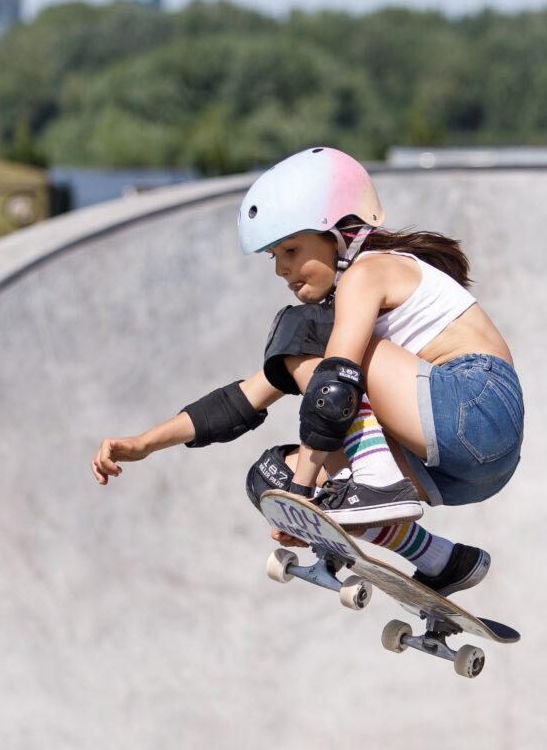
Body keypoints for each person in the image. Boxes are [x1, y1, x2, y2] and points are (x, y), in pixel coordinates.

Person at [91, 147, 524, 596]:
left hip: (474, 403)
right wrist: (145, 443)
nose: (282, 269)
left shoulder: (369, 272)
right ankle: (443, 559)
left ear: (338, 234)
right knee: (270, 478)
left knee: (306, 334)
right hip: (467, 469)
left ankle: (378, 482)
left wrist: (304, 491)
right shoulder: (346, 301)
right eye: (274, 256)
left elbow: (336, 381)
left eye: (292, 250)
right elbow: (242, 399)